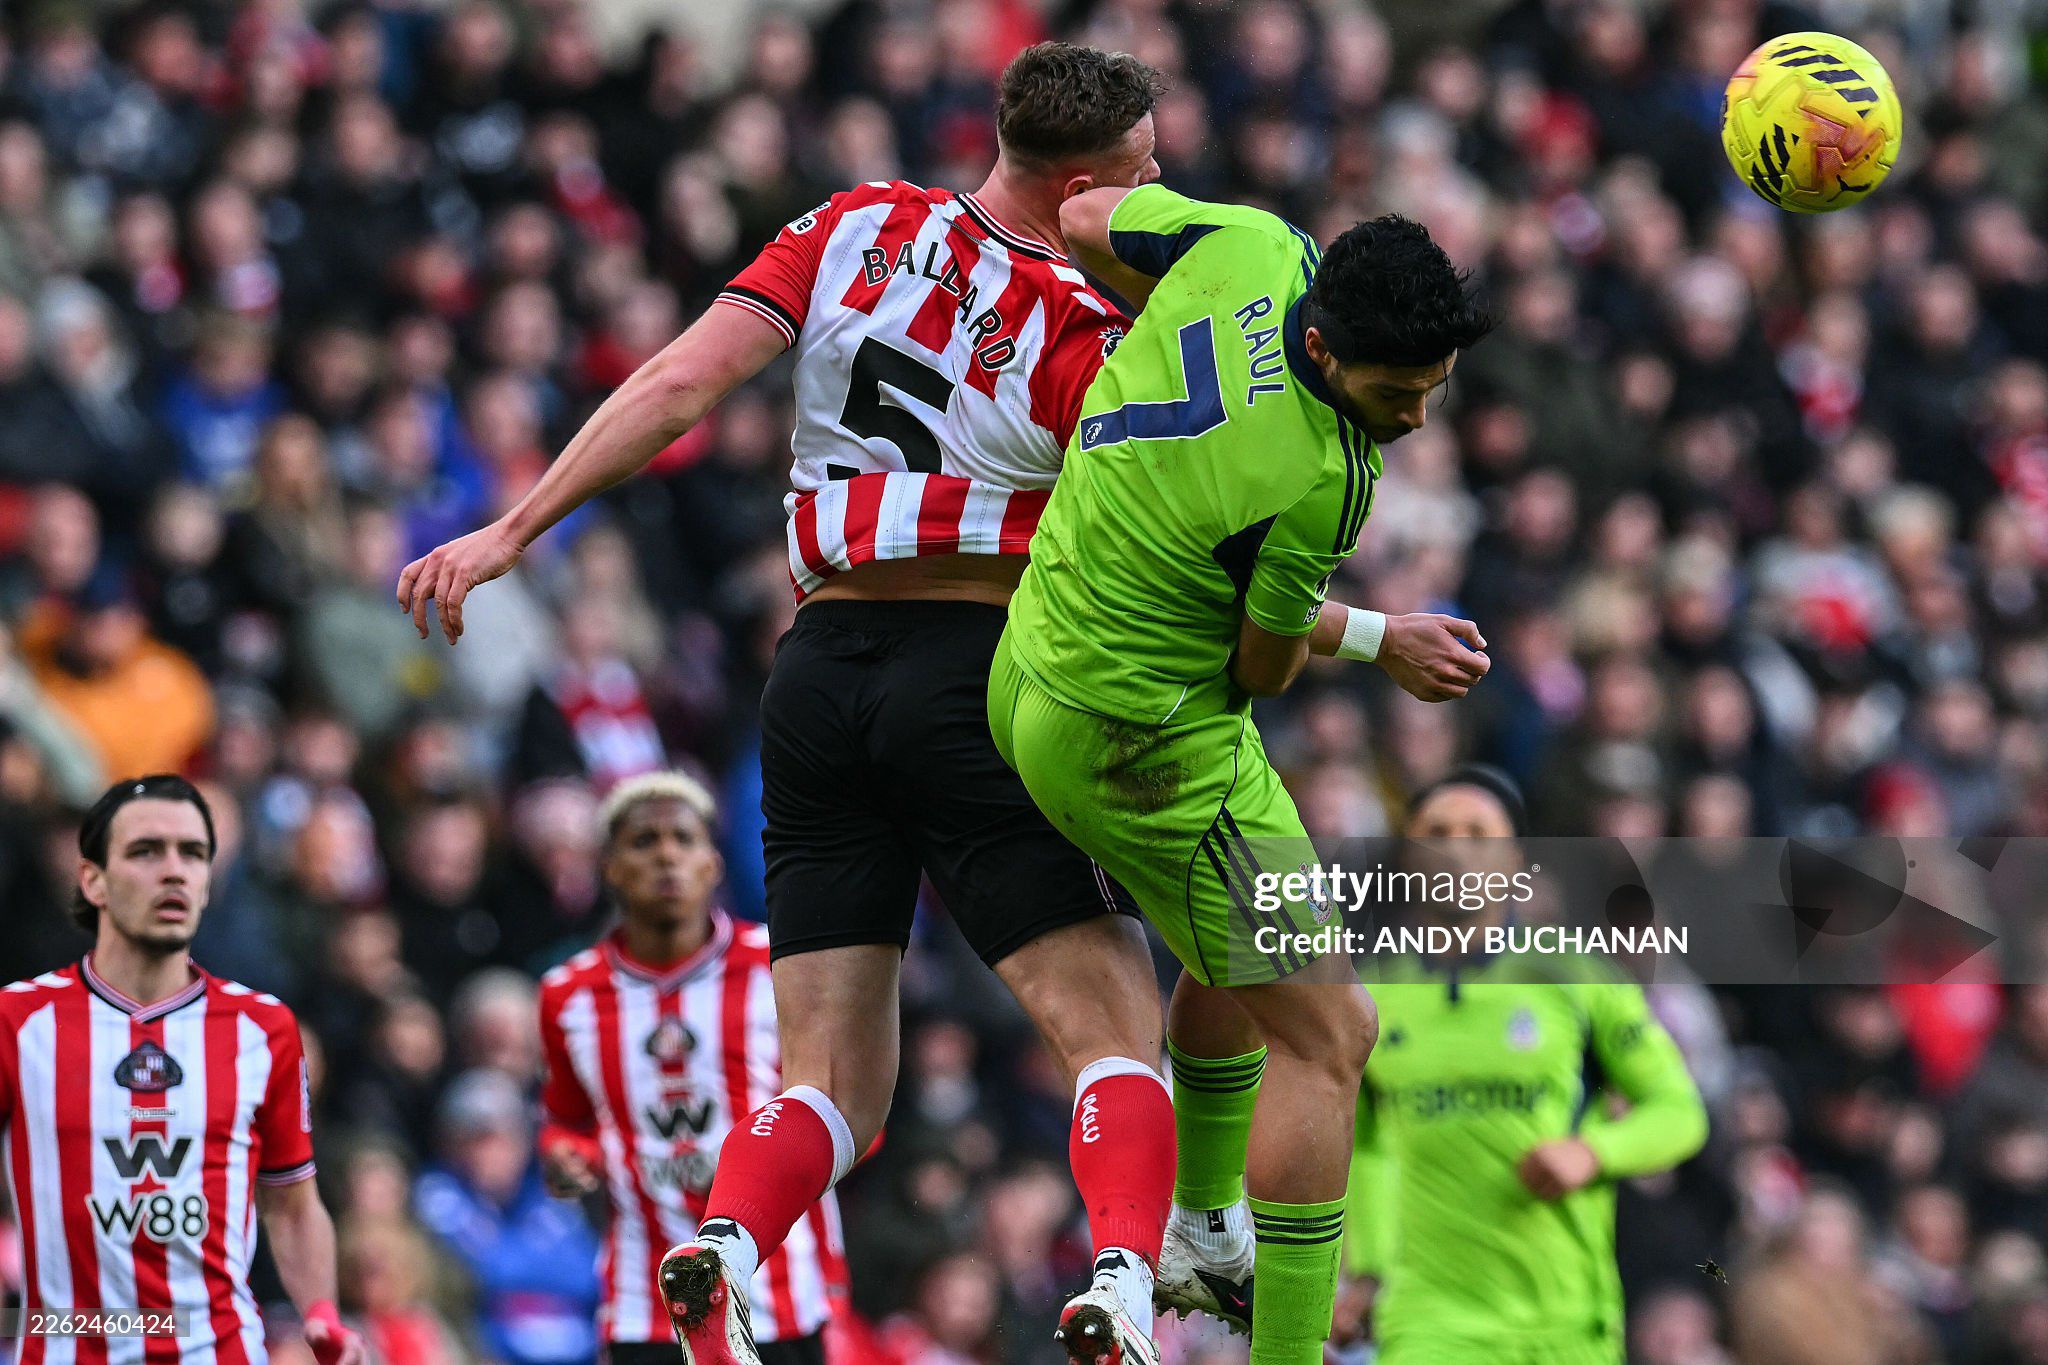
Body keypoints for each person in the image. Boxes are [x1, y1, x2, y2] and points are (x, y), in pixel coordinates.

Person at [398, 43, 1178, 1365]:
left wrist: (516, 529)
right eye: (1149, 179)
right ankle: (1122, 1281)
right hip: (974, 668)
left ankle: (720, 1248)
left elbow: (676, 383)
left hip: (814, 676)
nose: (1159, 201)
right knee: (1114, 1031)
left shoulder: (853, 222)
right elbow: (1163, 541)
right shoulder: (1092, 331)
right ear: (1091, 186)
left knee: (833, 1081)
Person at [988, 189, 1497, 1364]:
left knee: (1239, 934)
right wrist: (1379, 638)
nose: (1414, 417)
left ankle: (1208, 1225)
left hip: (1032, 667)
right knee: (1332, 1034)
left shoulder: (1246, 245)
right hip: (1145, 742)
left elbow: (1083, 216)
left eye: (1430, 387)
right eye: (1391, 394)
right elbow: (1261, 668)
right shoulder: (1325, 476)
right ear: (1322, 348)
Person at [1345, 767, 1710, 1363]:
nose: (1456, 848)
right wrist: (1368, 1271)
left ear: (1514, 863)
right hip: (1430, 1321)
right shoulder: (1369, 1000)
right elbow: (1366, 1145)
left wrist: (1593, 1153)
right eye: (1436, 831)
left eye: (1477, 833)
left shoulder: (1578, 980)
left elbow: (1680, 1112)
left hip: (1564, 1320)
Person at [0, 774, 366, 1365]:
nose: (174, 871)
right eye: (146, 851)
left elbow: (293, 1205)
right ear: (92, 879)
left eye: (193, 853)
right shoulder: (17, 1022)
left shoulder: (263, 1029)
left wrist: (321, 1314)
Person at [535, 772, 844, 1365]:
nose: (667, 855)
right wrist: (567, 1156)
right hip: (642, 1307)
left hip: (778, 1296)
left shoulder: (780, 969)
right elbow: (566, 1121)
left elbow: (850, 1113)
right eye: (644, 842)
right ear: (609, 867)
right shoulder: (566, 996)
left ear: (713, 862)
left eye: (684, 838)